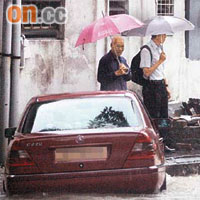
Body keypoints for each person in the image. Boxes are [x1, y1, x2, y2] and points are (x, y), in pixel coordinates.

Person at [139, 34, 175, 153]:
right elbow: (147, 72)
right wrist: (160, 61)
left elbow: (161, 71)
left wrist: (166, 87)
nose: (165, 37)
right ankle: (154, 143)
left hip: (160, 85)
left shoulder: (160, 49)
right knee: (153, 115)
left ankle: (164, 141)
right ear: (158, 35)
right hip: (151, 87)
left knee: (164, 115)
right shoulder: (146, 50)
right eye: (163, 35)